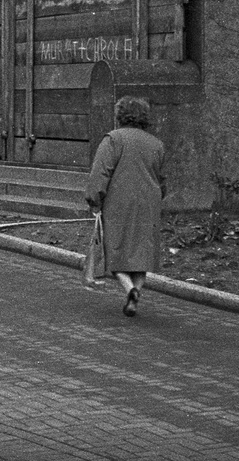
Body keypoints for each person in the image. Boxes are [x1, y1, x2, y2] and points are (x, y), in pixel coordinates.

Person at [85, 95, 166, 317]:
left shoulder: (113, 139)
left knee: (116, 250)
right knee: (142, 254)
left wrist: (94, 200)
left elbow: (100, 172)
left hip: (118, 203)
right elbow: (162, 178)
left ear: (120, 115)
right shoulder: (156, 144)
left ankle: (129, 289)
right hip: (149, 203)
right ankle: (136, 290)